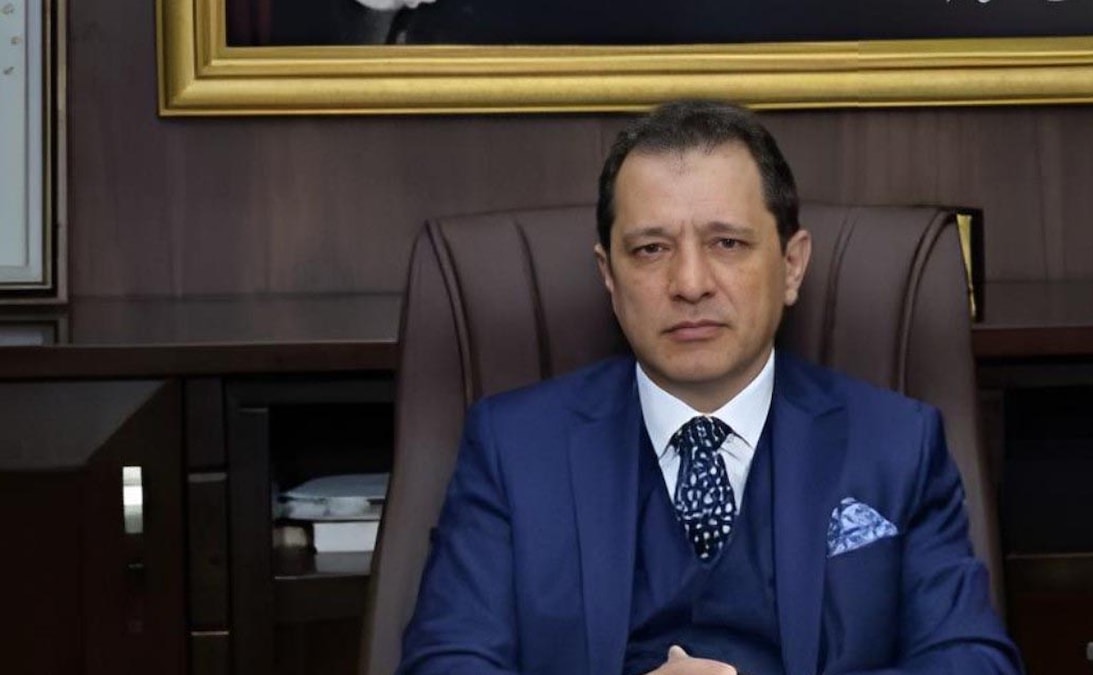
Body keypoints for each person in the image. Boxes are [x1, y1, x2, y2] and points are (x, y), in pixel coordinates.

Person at [398, 100, 1022, 674]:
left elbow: (973, 663)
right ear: (608, 277)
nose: (690, 283)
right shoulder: (512, 448)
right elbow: (445, 665)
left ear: (792, 265)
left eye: (727, 243)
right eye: (650, 249)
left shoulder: (898, 444)